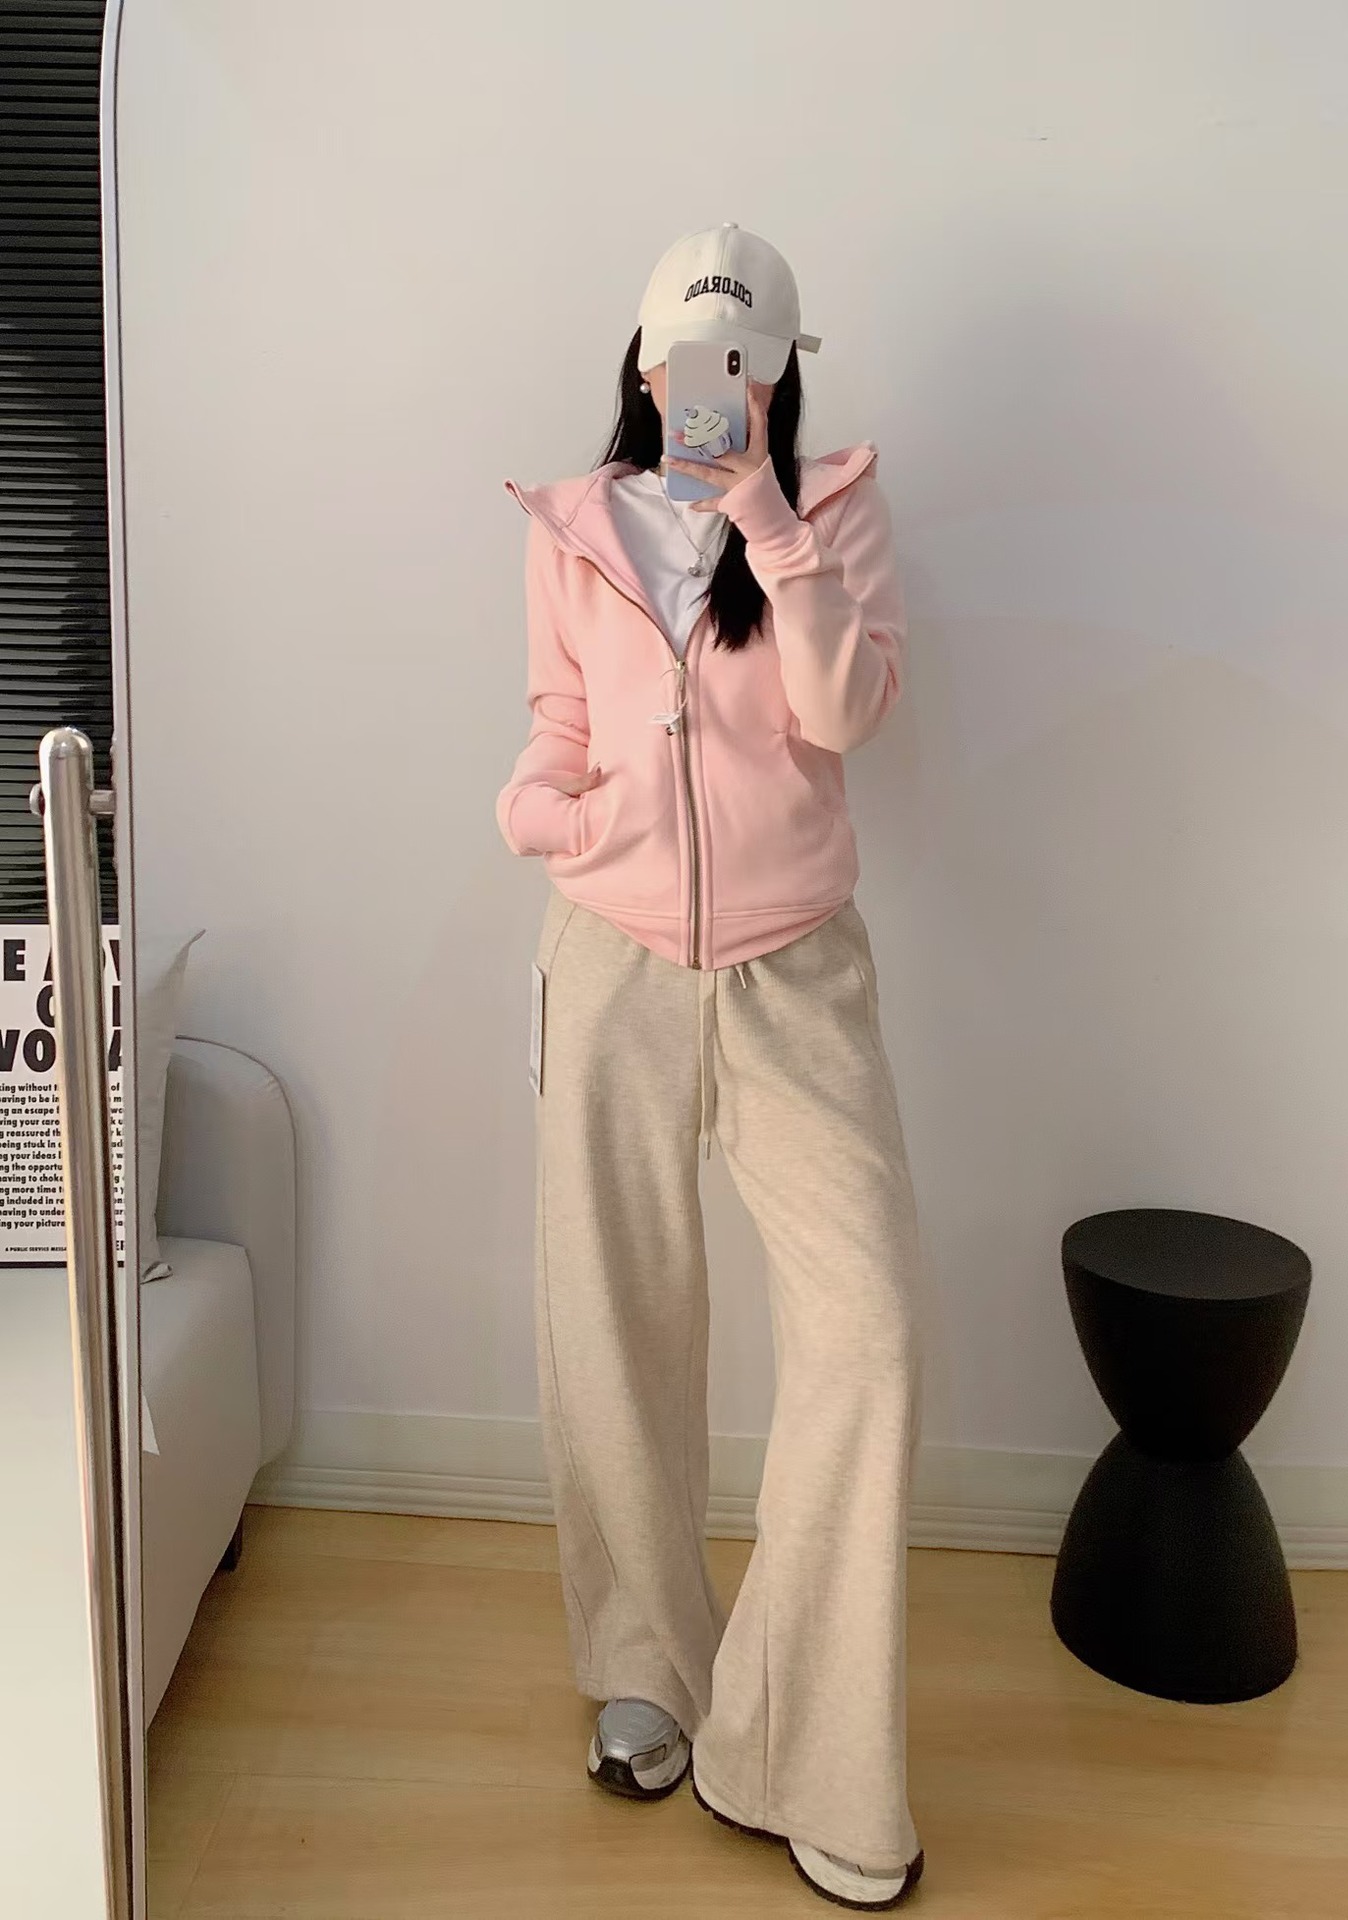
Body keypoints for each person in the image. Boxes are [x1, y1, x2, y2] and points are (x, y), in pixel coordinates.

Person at [494, 222, 926, 1909]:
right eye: (686, 358)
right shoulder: (574, 528)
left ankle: (804, 1752)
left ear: (782, 375)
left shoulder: (832, 510)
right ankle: (646, 1667)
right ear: (641, 358)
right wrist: (543, 807)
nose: (710, 386)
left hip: (795, 972)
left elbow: (848, 716)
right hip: (608, 962)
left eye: (744, 363)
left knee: (869, 1330)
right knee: (614, 1315)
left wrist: (769, 521)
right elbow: (563, 720)